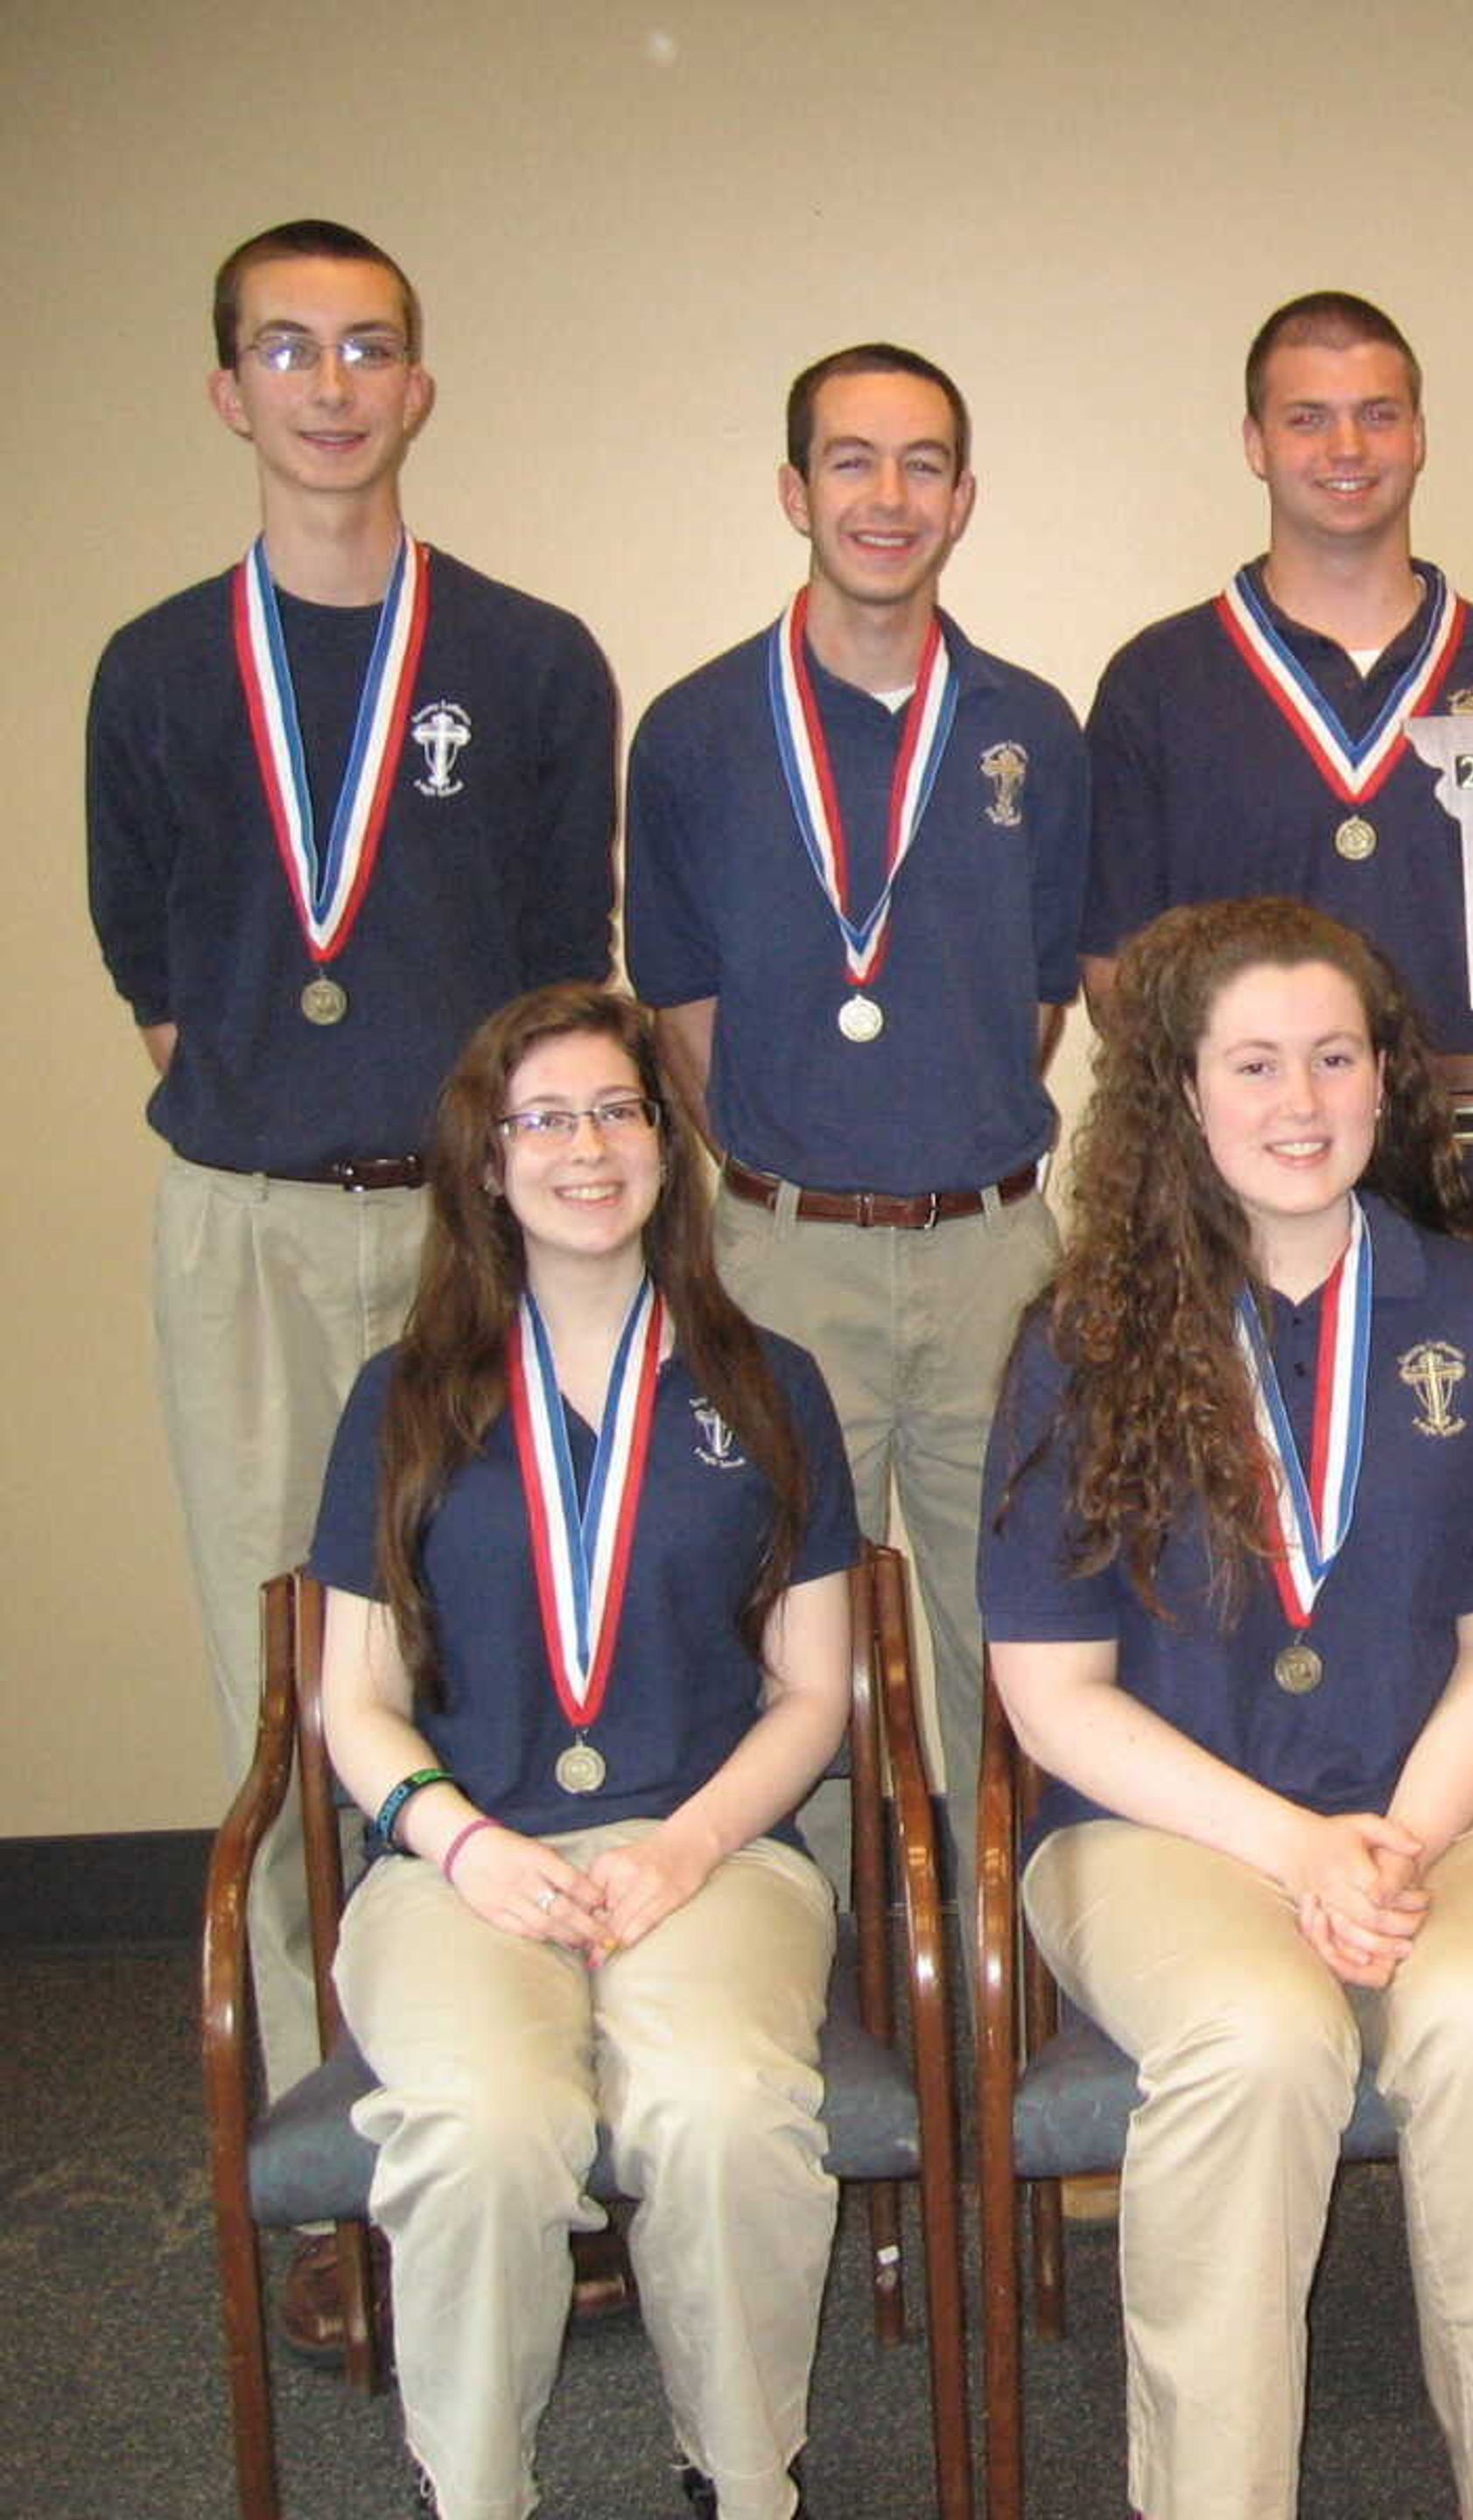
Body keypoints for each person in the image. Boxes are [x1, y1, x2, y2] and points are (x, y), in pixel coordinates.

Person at [84, 217, 617, 2342]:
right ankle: (354, 2159)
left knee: (517, 1655)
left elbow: (568, 967)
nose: (326, 382)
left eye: (366, 346)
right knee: (293, 1670)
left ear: (418, 384)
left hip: (470, 1231)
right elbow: (155, 968)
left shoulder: (529, 654)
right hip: (248, 1223)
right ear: (228, 391)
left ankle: (547, 2119)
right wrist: (283, 1129)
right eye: (282, 349)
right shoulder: (150, 665)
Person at [981, 899, 1473, 2518]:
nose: (1303, 1101)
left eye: (1336, 1057)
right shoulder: (1081, 1340)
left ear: (1389, 1081)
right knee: (1257, 2043)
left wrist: (1389, 1843)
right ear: (1179, 1095)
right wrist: (1293, 1850)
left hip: (1457, 1814)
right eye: (1254, 1064)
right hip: (1164, 1827)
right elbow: (1053, 1700)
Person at [307, 984, 862, 2520]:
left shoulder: (769, 1384)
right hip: (460, 1865)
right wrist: (463, 1845)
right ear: (487, 1165)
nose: (588, 1147)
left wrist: (684, 1848)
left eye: (618, 1110)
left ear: (665, 1144)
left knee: (725, 2111)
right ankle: (475, 2491)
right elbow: (350, 1701)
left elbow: (814, 1693)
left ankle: (744, 2479)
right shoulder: (403, 1397)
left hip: (718, 1850)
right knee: (485, 2131)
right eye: (542, 1118)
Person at [624, 342, 1084, 1842]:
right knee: (772, 1624)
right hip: (778, 1254)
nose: (888, 497)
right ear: (792, 490)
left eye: (923, 463)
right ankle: (800, 1971)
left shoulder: (1031, 728)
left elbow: (1035, 1005)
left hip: (990, 1256)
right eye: (851, 460)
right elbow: (680, 1014)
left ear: (963, 499)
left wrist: (931, 1153)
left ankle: (1011, 1963)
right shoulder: (692, 734)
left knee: (1011, 1625)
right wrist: (798, 1172)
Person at [1080, 290, 1473, 1294]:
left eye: (1378, 412)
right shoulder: (1160, 680)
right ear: (1255, 442)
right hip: (1241, 1212)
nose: (1346, 445)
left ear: (1421, 435)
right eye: (1307, 417)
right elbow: (1116, 979)